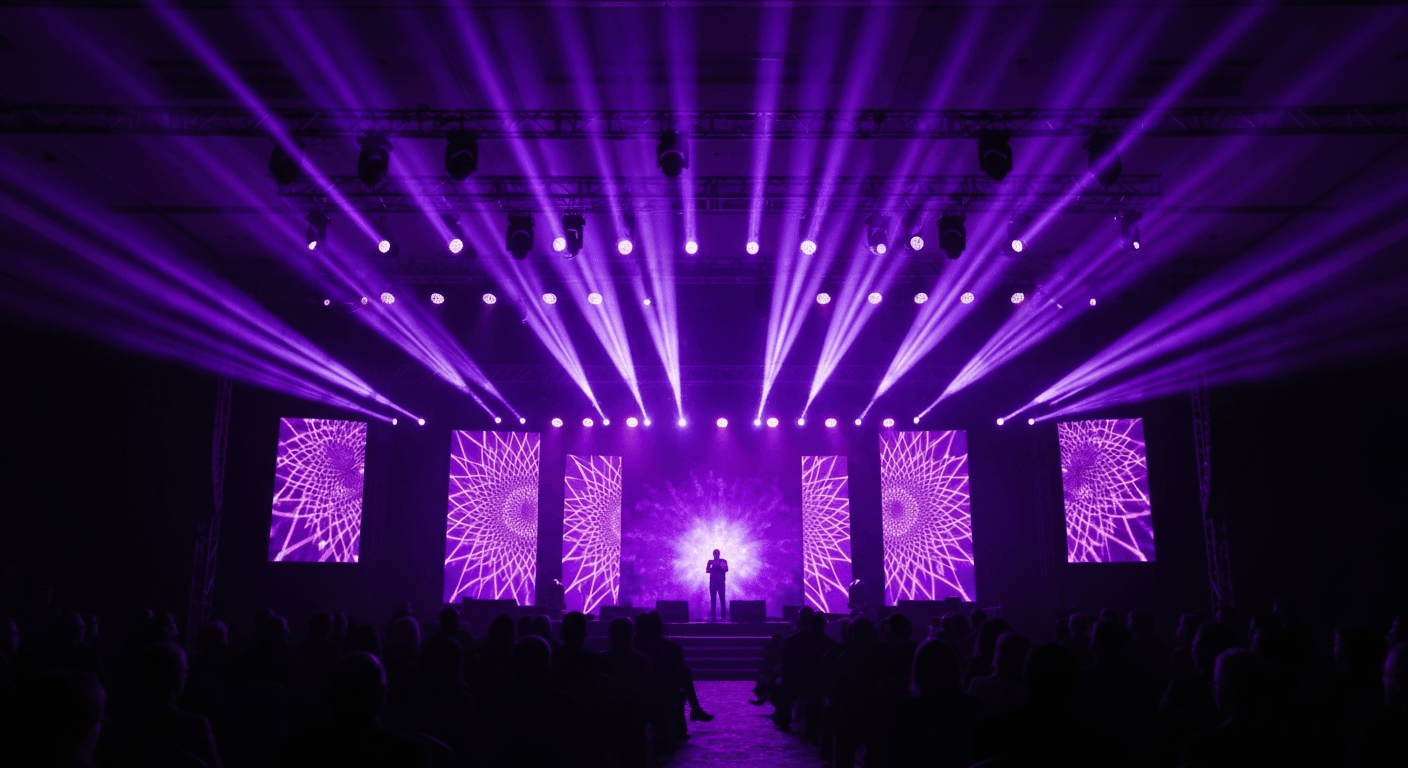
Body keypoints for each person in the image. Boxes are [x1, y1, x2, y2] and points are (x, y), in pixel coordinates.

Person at [706, 549, 728, 622]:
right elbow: (707, 570)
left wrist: (718, 566)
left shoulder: (723, 561)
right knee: (713, 601)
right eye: (715, 553)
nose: (716, 555)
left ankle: (723, 618)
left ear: (719, 554)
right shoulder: (710, 562)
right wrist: (714, 567)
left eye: (717, 553)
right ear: (713, 554)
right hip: (713, 583)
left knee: (722, 600)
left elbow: (726, 569)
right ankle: (713, 618)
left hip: (721, 583)